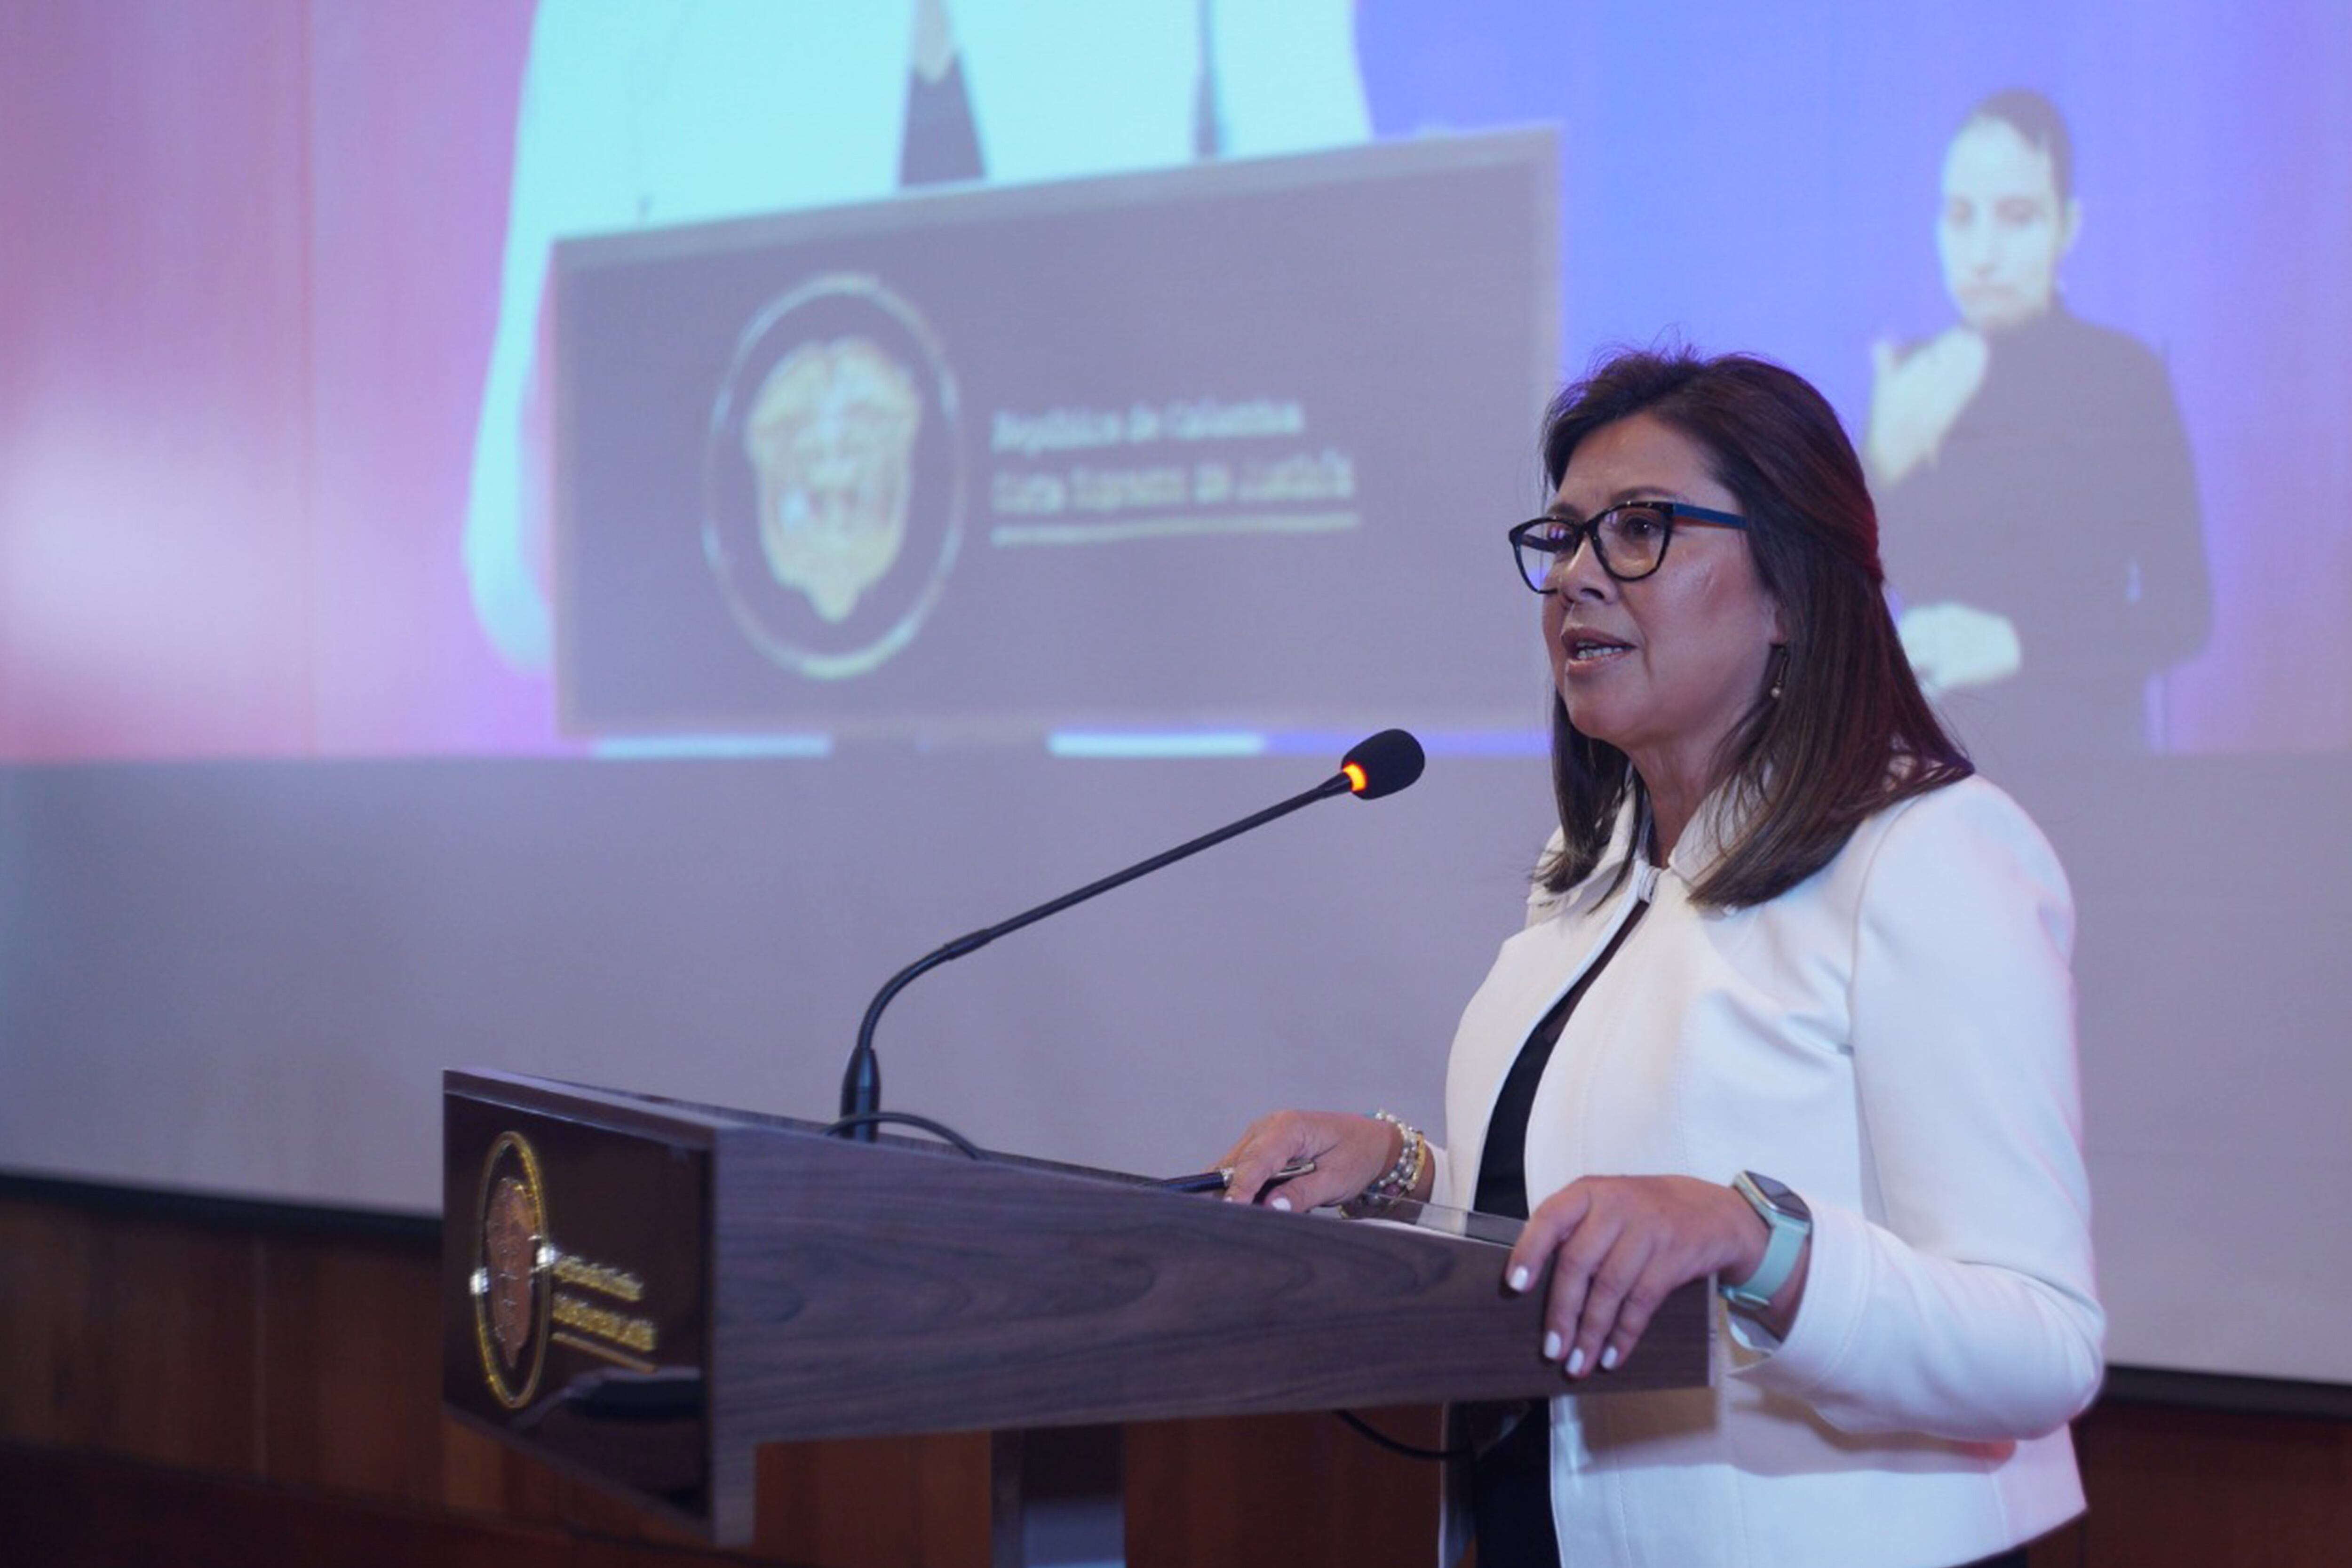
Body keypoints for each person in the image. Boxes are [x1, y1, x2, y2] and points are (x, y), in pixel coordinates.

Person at [1218, 349, 2103, 1568]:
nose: (1576, 575)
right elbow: (1592, 1207)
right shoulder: (1588, 865)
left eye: (1640, 528)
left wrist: (1756, 1237)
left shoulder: (1925, 851)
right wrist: (1403, 1172)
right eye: (1563, 536)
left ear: (1791, 588)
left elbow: (2042, 1339)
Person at [1867, 88, 2209, 765]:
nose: (1982, 253)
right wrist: (1880, 460)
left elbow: (2184, 612)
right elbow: (1825, 599)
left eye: (2017, 217)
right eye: (1960, 216)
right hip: (1933, 767)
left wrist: (2017, 645)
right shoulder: (1911, 382)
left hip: (2091, 767)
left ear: (2066, 227)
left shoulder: (2124, 377)